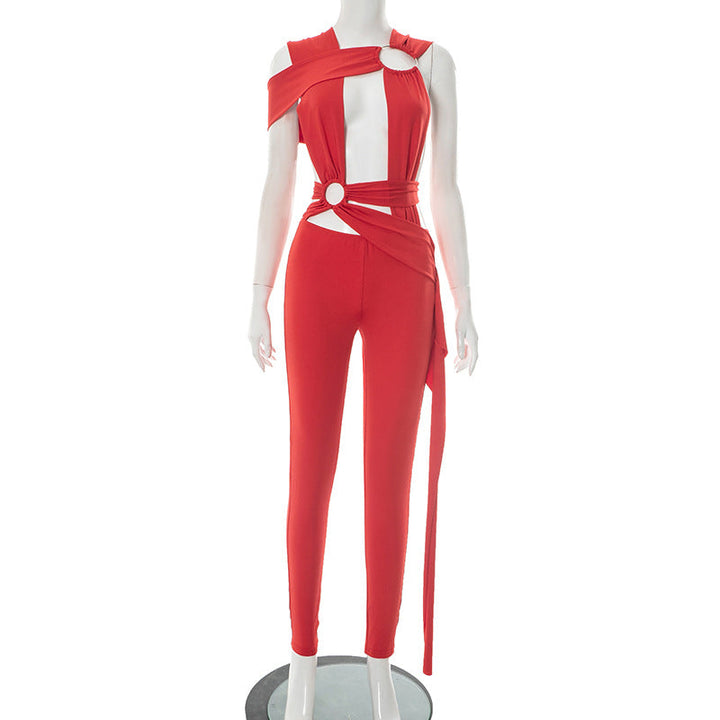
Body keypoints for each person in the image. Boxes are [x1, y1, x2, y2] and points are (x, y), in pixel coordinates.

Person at [249, 3, 478, 719]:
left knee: (390, 474)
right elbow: (279, 182)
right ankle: (302, 662)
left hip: (404, 271)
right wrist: (257, 293)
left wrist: (465, 298)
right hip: (317, 266)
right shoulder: (292, 61)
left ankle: (381, 666)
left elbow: (445, 186)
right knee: (309, 468)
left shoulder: (433, 61)